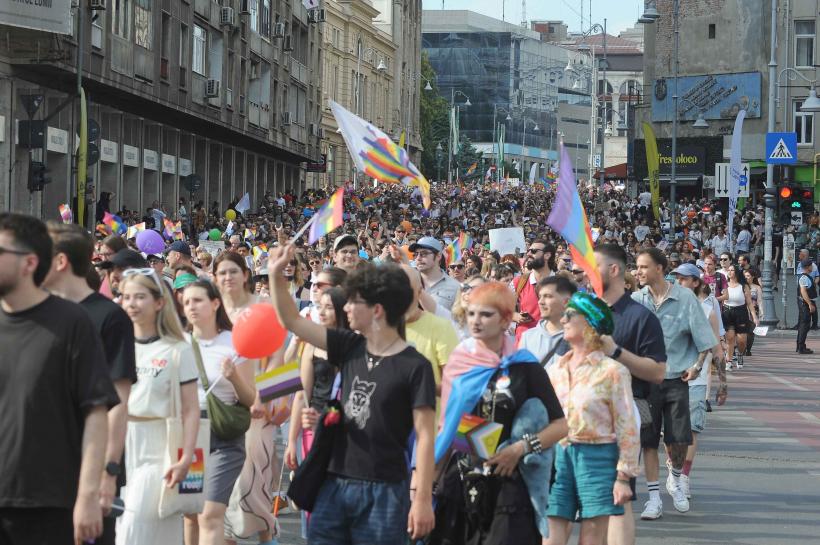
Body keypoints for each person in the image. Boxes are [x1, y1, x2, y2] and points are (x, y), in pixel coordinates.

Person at [267, 246, 437, 544]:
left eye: (353, 302)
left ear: (377, 310)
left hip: (384, 491)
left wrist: (421, 499)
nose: (345, 308)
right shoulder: (348, 346)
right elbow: (292, 321)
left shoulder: (415, 366)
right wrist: (275, 274)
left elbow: (425, 437)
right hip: (333, 484)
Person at [0, 212, 118, 545]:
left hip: (51, 503)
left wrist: (88, 495)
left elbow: (97, 413)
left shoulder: (72, 323)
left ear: (29, 262)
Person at [432, 282, 567, 545]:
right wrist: (426, 484)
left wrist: (520, 448)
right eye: (471, 313)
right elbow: (447, 428)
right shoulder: (459, 363)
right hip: (462, 479)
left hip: (511, 484)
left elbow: (560, 425)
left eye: (486, 314)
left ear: (506, 318)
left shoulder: (524, 365)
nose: (476, 321)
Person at [42, 223, 138, 545]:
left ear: (60, 262)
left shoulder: (110, 317)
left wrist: (108, 471)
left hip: (89, 466)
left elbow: (117, 402)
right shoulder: (38, 313)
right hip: (42, 466)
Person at [546, 292, 640, 545]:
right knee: (550, 530)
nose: (562, 319)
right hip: (558, 455)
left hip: (598, 456)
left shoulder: (613, 371)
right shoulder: (556, 369)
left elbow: (627, 426)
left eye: (569, 314)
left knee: (591, 536)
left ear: (588, 322)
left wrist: (623, 477)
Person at [116, 269, 201, 544]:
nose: (131, 303)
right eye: (126, 297)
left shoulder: (179, 349)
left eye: (140, 296)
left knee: (132, 532)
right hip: (119, 446)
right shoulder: (117, 345)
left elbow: (190, 409)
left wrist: (186, 458)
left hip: (157, 450)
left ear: (159, 302)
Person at [632, 248, 716, 517]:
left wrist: (696, 366)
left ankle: (676, 478)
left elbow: (705, 340)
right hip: (644, 385)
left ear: (659, 268)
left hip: (676, 380)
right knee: (647, 439)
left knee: (679, 439)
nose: (639, 272)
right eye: (637, 267)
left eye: (644, 267)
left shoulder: (685, 299)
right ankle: (654, 497)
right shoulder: (636, 299)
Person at [593, 243, 666, 544]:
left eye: (592, 265)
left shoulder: (640, 316)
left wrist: (616, 351)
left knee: (615, 500)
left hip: (620, 415)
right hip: (577, 416)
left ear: (614, 270)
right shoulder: (581, 311)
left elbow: (657, 371)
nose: (585, 271)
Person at [182, 280, 257, 545]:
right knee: (190, 513)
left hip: (224, 437)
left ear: (215, 303)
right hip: (188, 436)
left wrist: (234, 377)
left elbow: (250, 398)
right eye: (187, 301)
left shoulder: (234, 343)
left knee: (210, 514)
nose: (191, 306)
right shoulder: (179, 343)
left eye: (198, 300)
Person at [673, 263, 727, 500]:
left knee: (692, 429)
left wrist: (723, 383)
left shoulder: (709, 310)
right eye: (677, 279)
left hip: (696, 380)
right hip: (670, 377)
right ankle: (673, 470)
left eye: (683, 279)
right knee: (672, 433)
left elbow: (717, 348)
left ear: (696, 282)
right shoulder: (668, 307)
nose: (678, 283)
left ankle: (684, 476)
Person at [402, 265, 459, 391]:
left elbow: (455, 387)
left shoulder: (442, 327)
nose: (401, 296)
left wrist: (415, 386)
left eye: (407, 290)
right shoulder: (379, 328)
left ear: (419, 292)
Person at [518, 275, 576, 367]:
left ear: (566, 302)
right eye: (540, 296)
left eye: (548, 296)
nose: (540, 302)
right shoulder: (528, 338)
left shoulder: (579, 338)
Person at [513, 240, 556, 343]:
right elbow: (502, 308)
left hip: (553, 344)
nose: (528, 254)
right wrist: (515, 316)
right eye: (528, 251)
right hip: (524, 346)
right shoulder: (518, 282)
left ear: (547, 255)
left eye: (533, 251)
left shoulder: (562, 283)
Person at [722, 261, 757, 369]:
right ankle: (729, 360)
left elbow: (749, 303)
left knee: (742, 340)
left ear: (737, 273)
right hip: (728, 311)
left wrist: (754, 317)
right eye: (729, 270)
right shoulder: (724, 284)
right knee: (730, 338)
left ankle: (740, 354)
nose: (730, 272)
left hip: (741, 312)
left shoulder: (743, 286)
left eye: (732, 270)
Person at [410, 236, 460, 311]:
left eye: (424, 254)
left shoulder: (455, 287)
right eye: (416, 254)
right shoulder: (408, 284)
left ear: (438, 256)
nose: (418, 258)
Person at [450, 275, 488, 340]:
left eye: (475, 289)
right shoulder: (451, 321)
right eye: (465, 288)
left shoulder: (492, 329)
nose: (467, 292)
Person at [797, 258, 816, 354]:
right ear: (808, 267)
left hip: (805, 303)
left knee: (803, 325)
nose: (812, 267)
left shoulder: (806, 277)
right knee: (804, 325)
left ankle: (800, 346)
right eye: (811, 265)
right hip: (805, 304)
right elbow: (803, 292)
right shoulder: (804, 278)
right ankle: (801, 347)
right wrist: (809, 304)